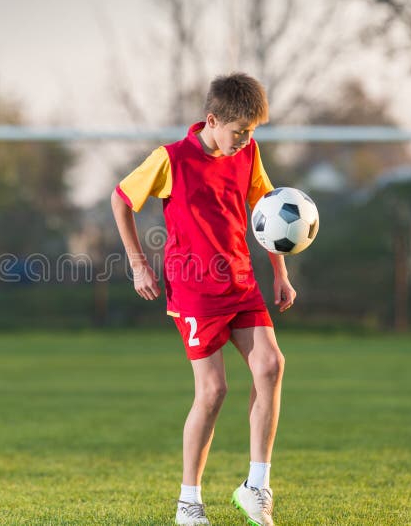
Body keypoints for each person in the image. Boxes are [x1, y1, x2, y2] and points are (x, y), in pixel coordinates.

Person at [110, 73, 294, 526]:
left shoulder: (247, 153)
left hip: (240, 281)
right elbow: (120, 200)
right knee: (213, 391)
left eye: (251, 133)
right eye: (239, 132)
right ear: (212, 120)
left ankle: (256, 487)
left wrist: (280, 274)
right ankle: (188, 502)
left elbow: (267, 213)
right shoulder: (169, 159)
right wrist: (138, 265)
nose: (245, 141)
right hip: (194, 290)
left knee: (271, 365)